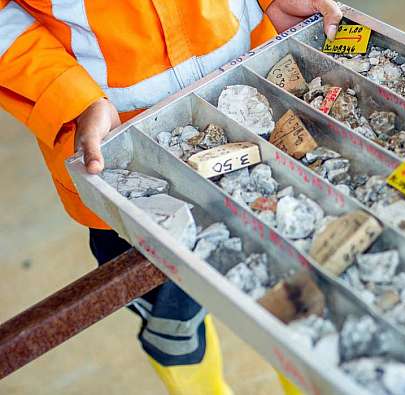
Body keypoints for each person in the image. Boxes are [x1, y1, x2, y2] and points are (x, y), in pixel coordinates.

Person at [0, 1, 342, 393]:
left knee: (296, 291)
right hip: (129, 160)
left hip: (250, 103)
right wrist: (69, 98)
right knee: (175, 325)